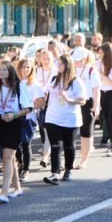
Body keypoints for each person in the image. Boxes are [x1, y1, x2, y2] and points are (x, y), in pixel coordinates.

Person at [0, 60, 35, 202]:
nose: (2, 72)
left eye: (5, 70)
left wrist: (14, 115)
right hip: (2, 122)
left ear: (10, 72)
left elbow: (29, 108)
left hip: (15, 123)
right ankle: (17, 188)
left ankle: (4, 192)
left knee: (7, 158)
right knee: (9, 158)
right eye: (0, 70)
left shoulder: (18, 87)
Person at [43, 55, 88, 185]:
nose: (59, 66)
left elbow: (83, 100)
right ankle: (55, 173)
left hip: (70, 119)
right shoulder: (53, 79)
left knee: (69, 146)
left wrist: (69, 99)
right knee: (56, 145)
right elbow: (44, 92)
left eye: (61, 64)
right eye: (58, 64)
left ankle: (68, 169)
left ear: (68, 65)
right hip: (53, 117)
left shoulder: (76, 81)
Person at [72, 48, 100, 169]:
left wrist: (96, 105)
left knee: (86, 131)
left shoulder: (91, 70)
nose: (77, 62)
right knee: (73, 131)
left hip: (88, 102)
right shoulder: (72, 69)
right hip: (73, 102)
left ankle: (84, 160)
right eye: (75, 60)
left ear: (85, 59)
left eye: (79, 60)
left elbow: (96, 89)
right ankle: (71, 160)